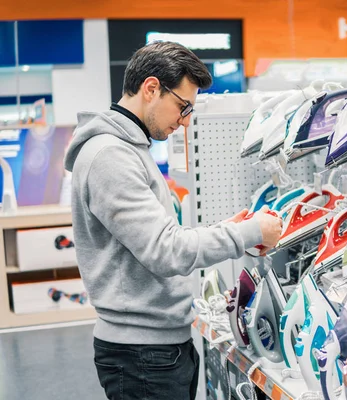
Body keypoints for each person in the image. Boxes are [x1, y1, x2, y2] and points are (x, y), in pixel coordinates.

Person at [64, 41, 282, 400]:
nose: (183, 121)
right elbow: (166, 251)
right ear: (152, 88)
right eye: (183, 107)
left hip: (157, 347)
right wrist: (248, 232)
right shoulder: (110, 157)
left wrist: (226, 228)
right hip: (142, 355)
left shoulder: (130, 148)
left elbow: (158, 236)